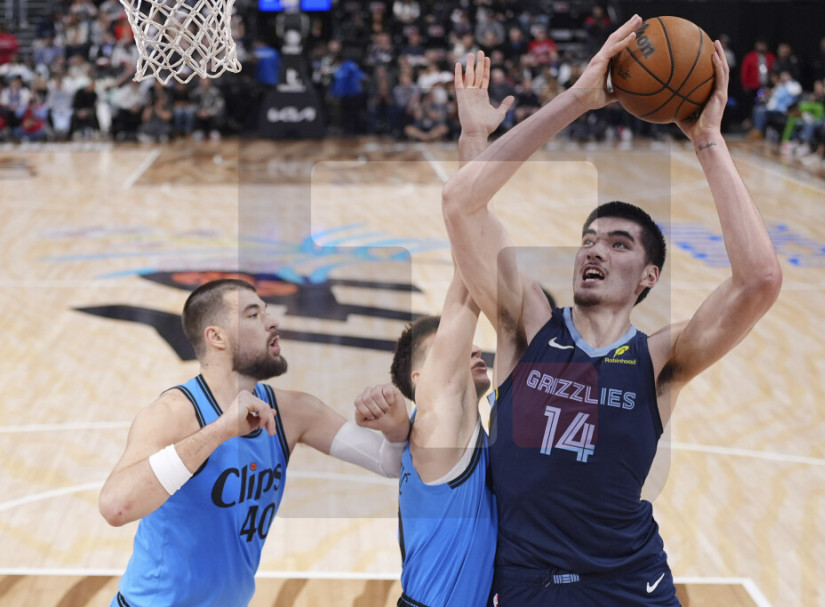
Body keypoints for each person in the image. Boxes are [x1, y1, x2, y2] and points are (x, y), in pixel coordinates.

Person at [441, 15, 782, 606]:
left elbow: (759, 281)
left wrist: (707, 139)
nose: (595, 250)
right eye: (590, 239)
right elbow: (462, 206)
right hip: (531, 587)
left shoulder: (660, 358)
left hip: (631, 585)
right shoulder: (528, 324)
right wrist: (576, 98)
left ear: (649, 277)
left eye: (619, 244)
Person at [99, 278, 410, 607]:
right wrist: (221, 430)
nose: (272, 321)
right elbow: (116, 507)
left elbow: (389, 463)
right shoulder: (172, 414)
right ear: (216, 337)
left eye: (266, 311)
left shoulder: (294, 411)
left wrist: (394, 430)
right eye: (253, 315)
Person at [356, 51, 513, 607]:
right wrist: (474, 139)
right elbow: (469, 270)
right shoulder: (440, 421)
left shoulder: (446, 431)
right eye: (448, 347)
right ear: (423, 378)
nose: (471, 349)